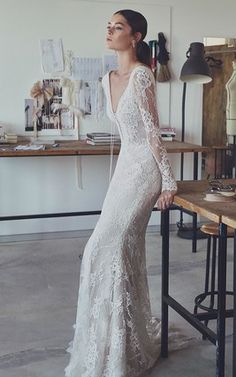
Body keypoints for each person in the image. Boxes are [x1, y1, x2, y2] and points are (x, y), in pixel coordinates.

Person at [65, 9, 178, 377]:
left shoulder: (143, 76)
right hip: (124, 169)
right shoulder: (105, 78)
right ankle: (121, 340)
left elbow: (152, 133)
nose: (110, 31)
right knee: (116, 250)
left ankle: (121, 344)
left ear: (136, 37)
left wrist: (168, 181)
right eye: (108, 26)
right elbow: (126, 135)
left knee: (104, 248)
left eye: (118, 27)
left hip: (144, 169)